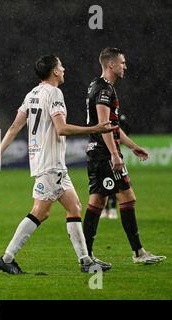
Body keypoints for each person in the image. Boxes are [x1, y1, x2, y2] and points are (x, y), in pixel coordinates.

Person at [0, 55, 115, 274]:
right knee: (39, 212)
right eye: (61, 66)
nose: (64, 69)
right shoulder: (54, 93)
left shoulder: (32, 94)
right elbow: (61, 128)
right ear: (54, 72)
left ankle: (85, 260)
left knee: (73, 207)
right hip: (50, 163)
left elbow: (14, 127)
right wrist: (96, 129)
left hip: (47, 162)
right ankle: (7, 258)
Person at [83, 47, 166, 264]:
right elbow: (105, 125)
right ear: (110, 65)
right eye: (122, 62)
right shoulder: (104, 90)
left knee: (98, 202)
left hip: (99, 153)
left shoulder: (98, 86)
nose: (125, 66)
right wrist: (114, 154)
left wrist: (132, 147)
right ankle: (137, 253)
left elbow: (114, 127)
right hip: (104, 154)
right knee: (126, 198)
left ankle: (87, 255)